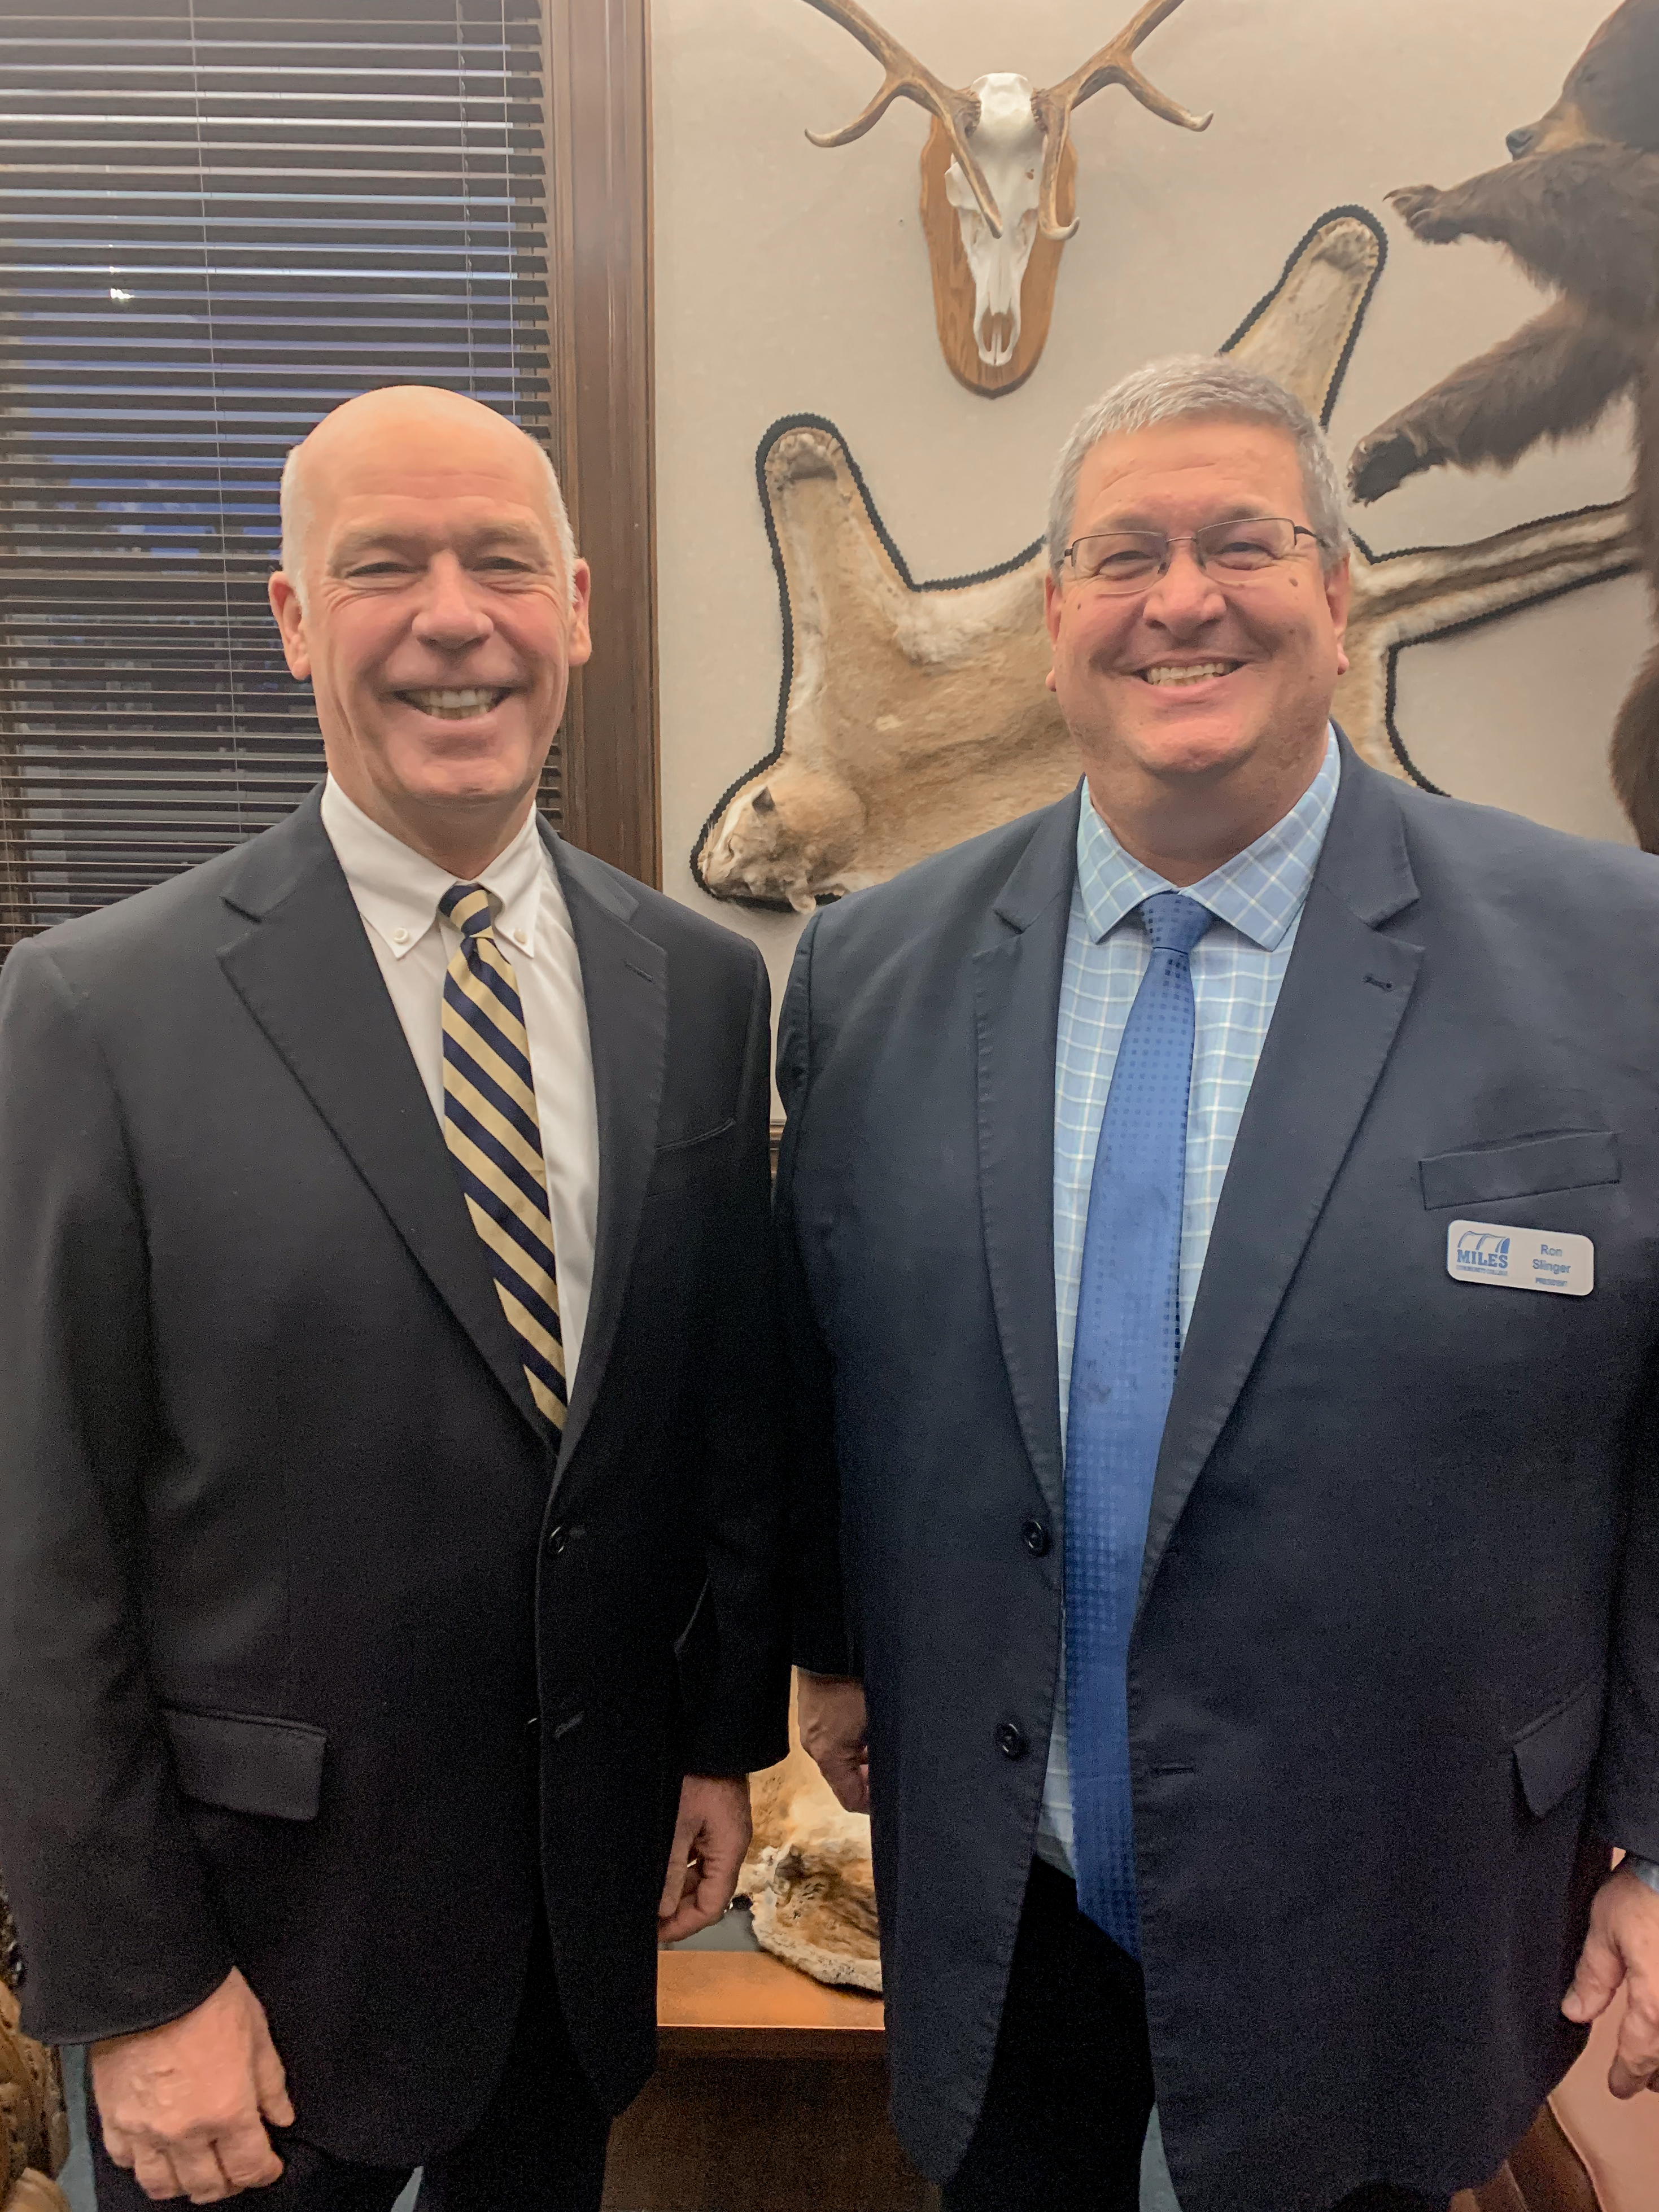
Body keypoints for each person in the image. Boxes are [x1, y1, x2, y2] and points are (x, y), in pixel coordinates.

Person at [776, 355, 1659, 2212]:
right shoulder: (871, 975)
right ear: (1054, 622)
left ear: (1335, 600)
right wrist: (833, 1650)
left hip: (1394, 1901)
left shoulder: (1611, 964)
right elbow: (836, 1356)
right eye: (1122, 556)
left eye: (1240, 544)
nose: (1182, 597)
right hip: (1007, 1911)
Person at [0, 384, 787, 2210]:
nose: (454, 616)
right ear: (293, 622)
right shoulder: (96, 1011)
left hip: (570, 1922)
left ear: (575, 610)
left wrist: (713, 1745)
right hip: (247, 1961)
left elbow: (707, 1418)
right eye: (383, 569)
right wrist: (132, 1985)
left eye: (501, 563)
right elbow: (39, 1545)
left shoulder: (692, 985)